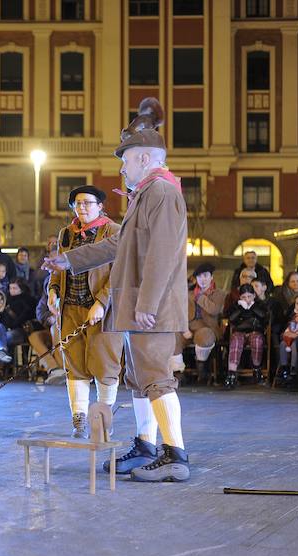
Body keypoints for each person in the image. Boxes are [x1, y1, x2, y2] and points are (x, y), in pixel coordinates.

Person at [44, 97, 190, 482]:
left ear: (143, 158)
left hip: (150, 307)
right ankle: (146, 447)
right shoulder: (147, 194)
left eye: (124, 160)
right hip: (138, 305)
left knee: (156, 376)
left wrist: (147, 303)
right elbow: (118, 245)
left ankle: (175, 455)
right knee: (139, 379)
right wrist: (69, 260)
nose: (121, 167)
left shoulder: (161, 193)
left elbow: (160, 252)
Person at [47, 185, 124, 438]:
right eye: (78, 204)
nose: (82, 208)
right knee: (75, 365)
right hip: (71, 308)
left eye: (88, 203)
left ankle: (102, 419)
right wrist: (53, 291)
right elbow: (59, 268)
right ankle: (78, 419)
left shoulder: (113, 231)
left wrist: (102, 302)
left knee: (105, 365)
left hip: (104, 311)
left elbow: (119, 273)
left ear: (100, 206)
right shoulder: (66, 234)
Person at [173, 263, 225, 384]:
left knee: (205, 336)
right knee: (174, 335)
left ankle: (202, 370)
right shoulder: (188, 294)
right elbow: (180, 313)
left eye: (206, 276)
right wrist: (184, 328)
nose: (203, 279)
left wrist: (200, 297)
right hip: (188, 328)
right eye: (199, 276)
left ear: (211, 277)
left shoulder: (219, 294)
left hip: (207, 328)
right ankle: (178, 372)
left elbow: (214, 310)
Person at [223, 284, 269, 389]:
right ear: (240, 297)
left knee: (257, 341)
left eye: (249, 296)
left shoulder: (259, 304)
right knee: (235, 341)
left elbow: (263, 317)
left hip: (255, 331)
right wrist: (241, 309)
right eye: (244, 297)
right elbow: (231, 319)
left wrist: (251, 307)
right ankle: (231, 374)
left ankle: (257, 369)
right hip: (239, 331)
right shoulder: (236, 305)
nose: (247, 299)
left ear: (254, 295)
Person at [276, 294, 298, 384]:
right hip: (289, 337)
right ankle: (284, 368)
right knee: (283, 344)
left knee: (294, 345)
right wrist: (285, 334)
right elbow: (286, 328)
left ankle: (294, 369)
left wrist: (297, 336)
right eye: (297, 303)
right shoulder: (291, 316)